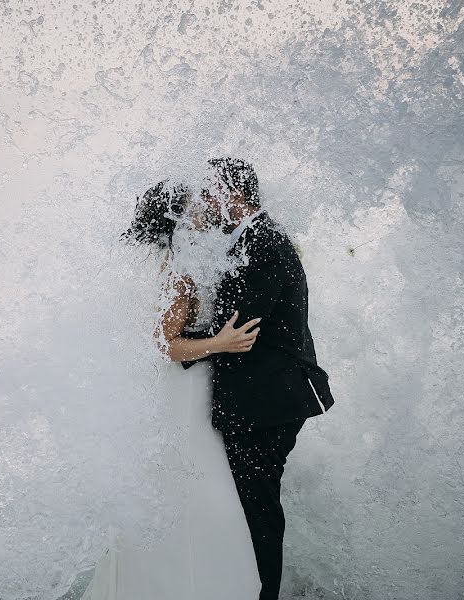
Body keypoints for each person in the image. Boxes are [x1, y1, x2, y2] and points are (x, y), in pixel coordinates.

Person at [80, 177, 267, 600]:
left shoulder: (159, 261)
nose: (206, 208)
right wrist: (222, 342)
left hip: (170, 391)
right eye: (197, 203)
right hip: (186, 391)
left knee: (178, 484)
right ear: (177, 216)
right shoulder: (178, 270)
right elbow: (165, 342)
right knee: (196, 488)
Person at [179, 157, 336, 600]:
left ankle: (264, 593)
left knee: (258, 508)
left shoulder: (264, 242)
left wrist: (168, 346)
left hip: (270, 401)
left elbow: (239, 329)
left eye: (208, 194)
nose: (203, 204)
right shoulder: (248, 238)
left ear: (229, 195)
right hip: (264, 396)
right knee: (250, 504)